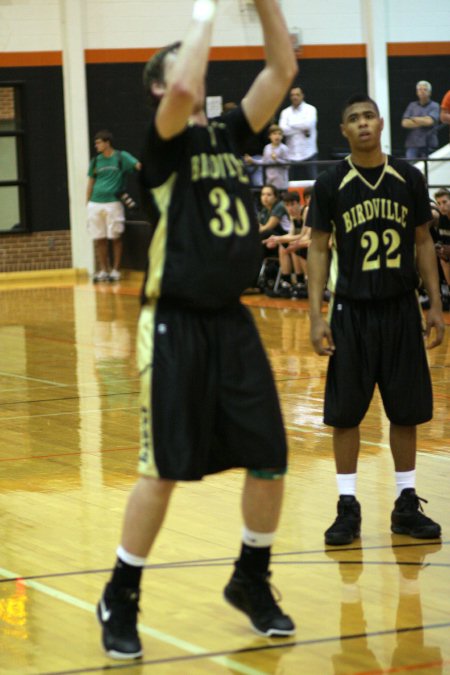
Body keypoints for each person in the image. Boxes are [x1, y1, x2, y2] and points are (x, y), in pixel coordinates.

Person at [96, 0, 298, 660]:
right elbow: (186, 84)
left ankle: (251, 577)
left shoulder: (229, 136)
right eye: (181, 74)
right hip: (174, 323)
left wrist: (265, 3)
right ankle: (119, 594)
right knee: (164, 469)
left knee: (270, 453)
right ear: (160, 88)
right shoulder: (162, 143)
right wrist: (208, 7)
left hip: (231, 320)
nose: (195, 80)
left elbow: (282, 66)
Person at [307, 93, 445, 547]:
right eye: (353, 119)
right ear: (344, 131)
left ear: (382, 123)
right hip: (351, 310)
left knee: (405, 409)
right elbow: (319, 247)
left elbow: (423, 242)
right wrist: (315, 314)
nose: (363, 123)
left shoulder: (407, 177)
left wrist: (435, 304)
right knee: (345, 413)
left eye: (368, 116)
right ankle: (347, 505)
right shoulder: (330, 183)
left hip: (401, 307)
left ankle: (406, 502)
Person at [86, 130, 141, 282]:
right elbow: (91, 181)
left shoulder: (121, 157)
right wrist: (88, 202)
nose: (96, 145)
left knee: (115, 237)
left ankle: (116, 270)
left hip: (113, 202)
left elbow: (137, 165)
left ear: (107, 142)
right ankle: (104, 270)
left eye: (98, 142)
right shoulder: (96, 161)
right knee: (99, 238)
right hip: (95, 203)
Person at [278, 86, 318, 181]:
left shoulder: (311, 109)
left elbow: (308, 125)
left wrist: (290, 124)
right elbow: (283, 130)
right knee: (290, 186)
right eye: (292, 95)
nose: (295, 97)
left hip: (309, 154)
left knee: (314, 185)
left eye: (297, 94)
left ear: (302, 96)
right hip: (291, 155)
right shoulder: (285, 112)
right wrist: (301, 127)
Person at [401, 81, 440, 159]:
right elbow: (404, 123)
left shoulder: (435, 106)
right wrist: (423, 120)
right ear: (417, 92)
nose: (422, 91)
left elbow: (430, 122)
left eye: (425, 89)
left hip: (429, 144)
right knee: (411, 169)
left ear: (430, 92)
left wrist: (413, 119)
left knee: (430, 169)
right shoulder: (412, 105)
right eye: (420, 89)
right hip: (412, 144)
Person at [244, 123, 290, 190]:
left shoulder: (284, 148)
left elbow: (288, 165)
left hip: (281, 182)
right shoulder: (267, 148)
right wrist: (252, 161)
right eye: (274, 134)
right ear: (270, 136)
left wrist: (276, 159)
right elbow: (264, 162)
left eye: (279, 134)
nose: (277, 136)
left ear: (282, 136)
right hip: (269, 180)